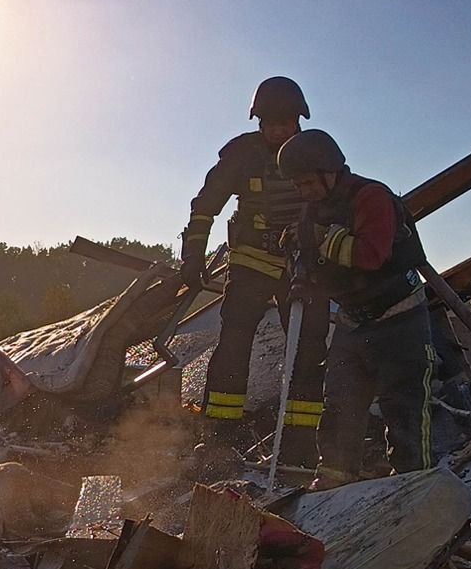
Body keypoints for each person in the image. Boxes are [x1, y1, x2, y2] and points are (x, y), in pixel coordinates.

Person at [179, 77, 330, 464]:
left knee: (308, 348)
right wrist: (193, 254)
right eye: (269, 123)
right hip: (250, 262)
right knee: (234, 342)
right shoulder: (242, 154)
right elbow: (205, 205)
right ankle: (219, 437)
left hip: (303, 264)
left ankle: (301, 441)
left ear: (299, 120)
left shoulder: (317, 152)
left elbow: (338, 202)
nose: (277, 131)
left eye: (285, 123)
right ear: (258, 121)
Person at [276, 128, 436, 490]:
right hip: (352, 322)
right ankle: (333, 482)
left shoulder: (371, 197)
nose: (303, 192)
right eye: (298, 185)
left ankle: (414, 487)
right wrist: (300, 266)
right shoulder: (314, 209)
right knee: (339, 406)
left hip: (398, 320)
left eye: (307, 183)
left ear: (329, 171)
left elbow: (370, 255)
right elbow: (317, 261)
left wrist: (323, 239)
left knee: (404, 408)